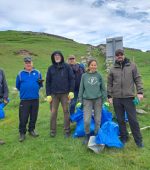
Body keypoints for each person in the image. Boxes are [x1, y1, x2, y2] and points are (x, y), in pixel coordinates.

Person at [107, 49, 144, 147]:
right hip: (117, 98)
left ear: (124, 55)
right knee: (120, 119)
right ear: (115, 56)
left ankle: (138, 141)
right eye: (117, 55)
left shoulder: (132, 65)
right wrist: (109, 96)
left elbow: (138, 78)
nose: (119, 56)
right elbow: (109, 83)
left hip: (129, 98)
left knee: (133, 120)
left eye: (121, 54)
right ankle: (124, 137)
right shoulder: (112, 68)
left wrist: (140, 92)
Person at [46, 51, 75, 138]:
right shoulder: (50, 68)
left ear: (61, 57)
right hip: (54, 95)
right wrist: (48, 94)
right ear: (53, 57)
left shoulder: (67, 67)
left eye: (58, 55)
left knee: (66, 112)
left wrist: (71, 91)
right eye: (55, 56)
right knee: (53, 112)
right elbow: (48, 82)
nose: (57, 57)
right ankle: (52, 130)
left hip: (65, 94)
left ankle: (67, 130)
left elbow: (72, 79)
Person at [78, 59, 106, 144]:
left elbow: (103, 88)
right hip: (87, 100)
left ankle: (96, 134)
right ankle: (87, 135)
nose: (93, 66)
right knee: (86, 120)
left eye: (95, 65)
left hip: (98, 100)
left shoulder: (99, 75)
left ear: (96, 66)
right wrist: (80, 100)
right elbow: (81, 88)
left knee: (98, 120)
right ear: (89, 66)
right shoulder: (84, 76)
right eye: (92, 65)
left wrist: (104, 99)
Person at [16, 57, 43, 142]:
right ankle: (22, 133)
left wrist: (38, 85)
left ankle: (31, 130)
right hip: (24, 100)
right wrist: (26, 91)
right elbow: (18, 86)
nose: (28, 64)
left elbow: (40, 84)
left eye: (29, 62)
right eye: (26, 62)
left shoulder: (38, 73)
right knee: (23, 117)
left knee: (33, 116)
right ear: (24, 64)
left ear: (32, 63)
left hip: (35, 99)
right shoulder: (20, 74)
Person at [0, 69, 9, 145]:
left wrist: (5, 97)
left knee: (1, 116)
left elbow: (5, 85)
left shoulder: (1, 71)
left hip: (1, 98)